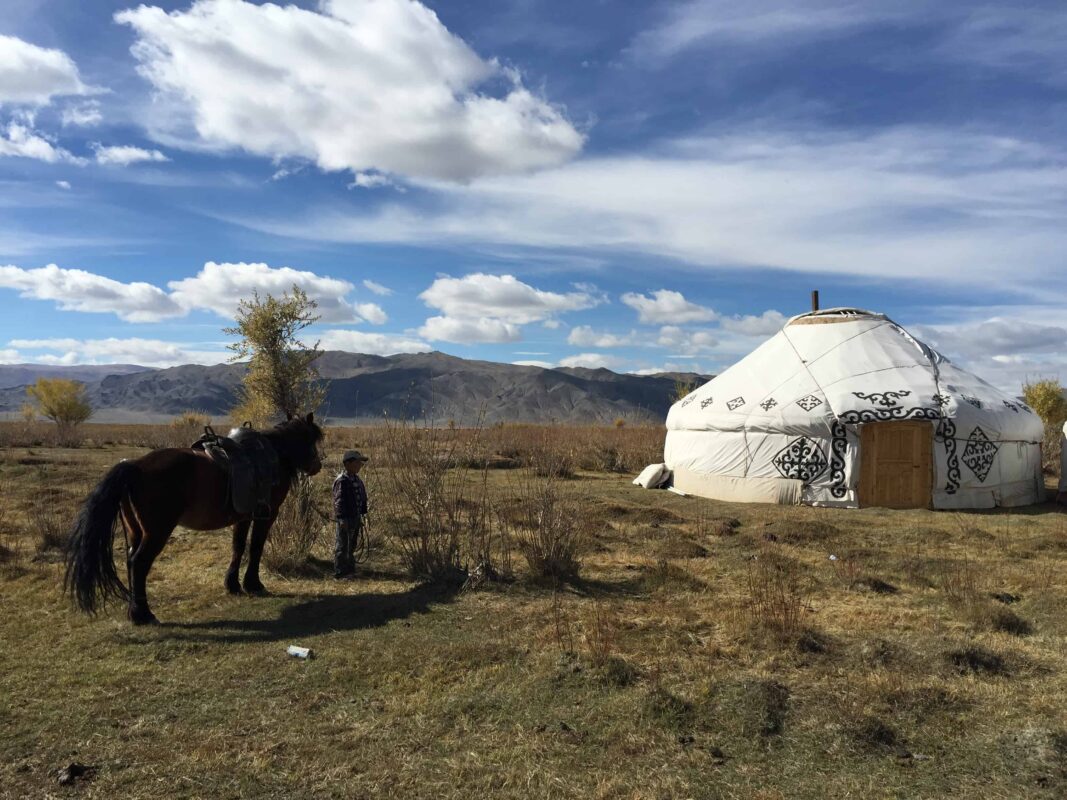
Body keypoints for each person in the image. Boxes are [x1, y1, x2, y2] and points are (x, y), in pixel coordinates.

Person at [332, 450, 369, 578]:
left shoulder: (356, 479)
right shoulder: (342, 480)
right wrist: (341, 519)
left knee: (352, 544)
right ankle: (340, 572)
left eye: (360, 463)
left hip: (355, 517)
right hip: (345, 518)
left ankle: (350, 569)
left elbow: (362, 498)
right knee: (342, 545)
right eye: (358, 462)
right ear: (348, 464)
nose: (360, 465)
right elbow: (339, 501)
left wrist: (362, 514)